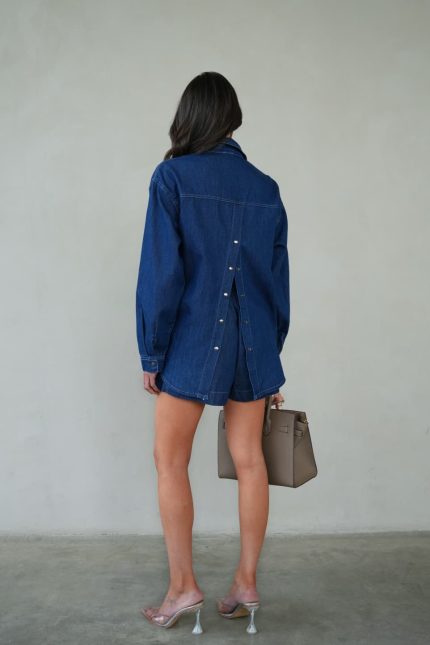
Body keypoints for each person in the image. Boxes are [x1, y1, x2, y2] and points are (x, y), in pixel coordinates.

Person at [135, 71, 290, 634]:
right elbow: (277, 282)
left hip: (194, 341)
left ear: (189, 116)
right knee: (251, 461)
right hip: (254, 345)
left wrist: (152, 352)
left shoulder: (172, 177)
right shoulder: (266, 187)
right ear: (232, 118)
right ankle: (246, 584)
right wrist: (271, 356)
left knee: (170, 461)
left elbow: (162, 273)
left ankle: (183, 588)